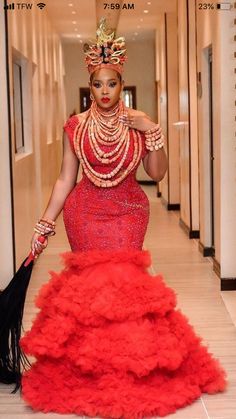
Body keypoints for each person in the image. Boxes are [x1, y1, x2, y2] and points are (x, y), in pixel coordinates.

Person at [20, 18, 226, 418]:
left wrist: (153, 131)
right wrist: (44, 225)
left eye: (111, 83)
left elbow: (158, 173)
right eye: (97, 84)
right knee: (90, 294)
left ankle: (133, 370)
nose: (104, 92)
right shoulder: (76, 126)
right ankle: (89, 372)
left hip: (129, 212)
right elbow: (66, 178)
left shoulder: (139, 121)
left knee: (126, 292)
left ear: (121, 81)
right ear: (90, 85)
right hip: (84, 213)